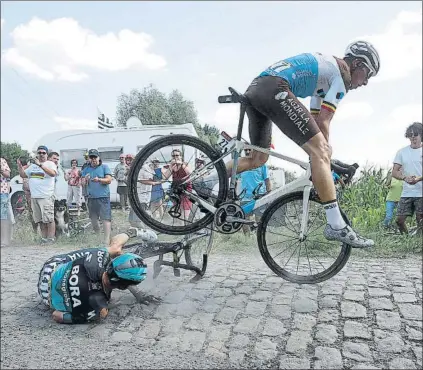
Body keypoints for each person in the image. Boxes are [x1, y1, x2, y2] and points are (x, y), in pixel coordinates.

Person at [215, 40, 380, 248]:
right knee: (320, 151)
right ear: (357, 64)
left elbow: (314, 121)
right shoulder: (341, 76)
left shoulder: (326, 73)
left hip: (258, 88)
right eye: (369, 74)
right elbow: (323, 123)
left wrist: (321, 155)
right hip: (275, 87)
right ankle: (336, 224)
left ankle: (205, 180)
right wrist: (323, 156)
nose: (365, 82)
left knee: (259, 158)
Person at [37, 227, 158, 324]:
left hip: (51, 266)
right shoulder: (99, 310)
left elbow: (56, 316)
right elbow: (56, 315)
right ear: (122, 287)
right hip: (46, 295)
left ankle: (133, 231)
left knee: (114, 250)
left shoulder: (98, 258)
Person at [17, 145, 58, 244]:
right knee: (40, 220)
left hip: (46, 196)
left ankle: (51, 238)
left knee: (49, 219)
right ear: (37, 154)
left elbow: (53, 174)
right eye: (39, 152)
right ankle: (44, 238)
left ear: (47, 154)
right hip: (34, 196)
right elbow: (23, 175)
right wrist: (19, 166)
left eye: (43, 153)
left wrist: (40, 165)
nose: (41, 154)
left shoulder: (50, 164)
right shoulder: (32, 166)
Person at [392, 122, 423, 235]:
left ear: (421, 135)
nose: (413, 137)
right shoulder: (402, 152)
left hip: (421, 192)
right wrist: (405, 177)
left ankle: (417, 244)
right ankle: (407, 240)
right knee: (399, 221)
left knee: (421, 221)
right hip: (407, 192)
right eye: (410, 135)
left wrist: (418, 179)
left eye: (415, 134)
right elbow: (394, 172)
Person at [81, 149, 113, 245]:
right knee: (93, 220)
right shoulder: (86, 169)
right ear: (89, 158)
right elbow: (82, 183)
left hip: (103, 197)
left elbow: (109, 180)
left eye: (95, 157)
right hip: (91, 197)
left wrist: (99, 179)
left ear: (99, 158)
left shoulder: (104, 167)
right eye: (91, 157)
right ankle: (98, 237)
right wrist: (85, 180)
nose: (93, 159)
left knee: (105, 218)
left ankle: (106, 240)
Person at [236, 149, 272, 235]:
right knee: (244, 219)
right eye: (246, 150)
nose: (247, 152)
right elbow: (236, 180)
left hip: (260, 196)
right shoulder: (241, 164)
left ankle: (259, 238)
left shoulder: (261, 164)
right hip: (245, 197)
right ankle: (247, 239)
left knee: (260, 220)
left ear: (254, 151)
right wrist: (234, 195)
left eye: (249, 150)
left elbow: (267, 180)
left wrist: (270, 194)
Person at [1, 157, 11, 247]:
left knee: (3, 217)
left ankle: (4, 241)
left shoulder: (2, 160)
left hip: (2, 192)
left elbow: (7, 174)